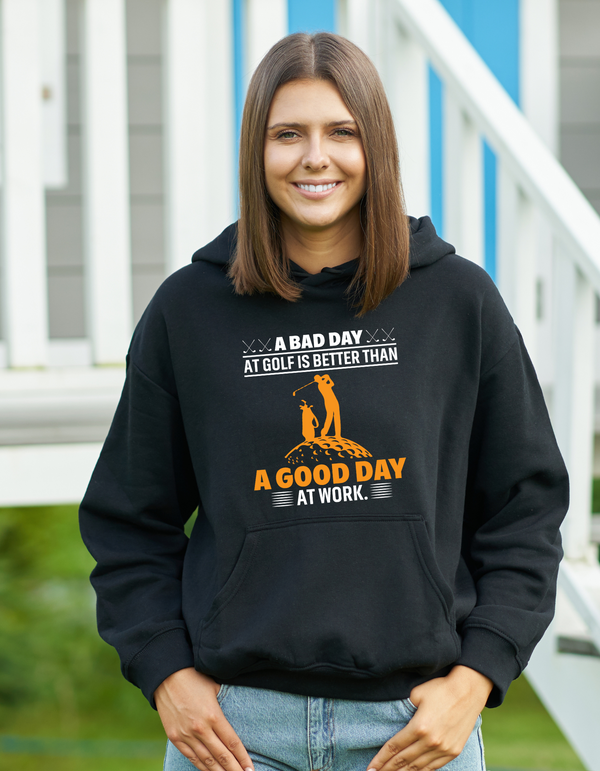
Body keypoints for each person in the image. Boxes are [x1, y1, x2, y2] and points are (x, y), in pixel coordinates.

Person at [79, 31, 568, 771]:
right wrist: (166, 673)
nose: (316, 157)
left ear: (376, 147)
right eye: (288, 134)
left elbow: (525, 508)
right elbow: (128, 519)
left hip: (414, 729)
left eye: (342, 131)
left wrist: (476, 678)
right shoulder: (190, 312)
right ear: (257, 151)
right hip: (236, 735)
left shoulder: (456, 301)